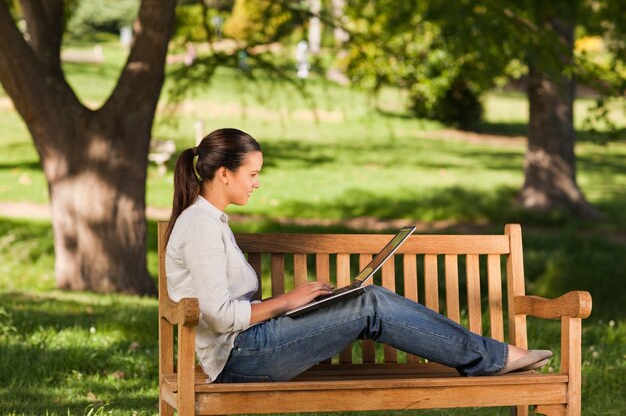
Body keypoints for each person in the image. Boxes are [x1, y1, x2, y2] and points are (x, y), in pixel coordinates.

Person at [165, 128, 552, 383]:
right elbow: (216, 315)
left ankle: (490, 356)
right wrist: (288, 301)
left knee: (367, 299)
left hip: (249, 344)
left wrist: (292, 305)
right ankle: (493, 358)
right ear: (224, 174)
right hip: (239, 358)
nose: (257, 182)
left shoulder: (211, 221)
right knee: (370, 304)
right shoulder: (199, 225)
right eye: (252, 174)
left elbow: (228, 304)